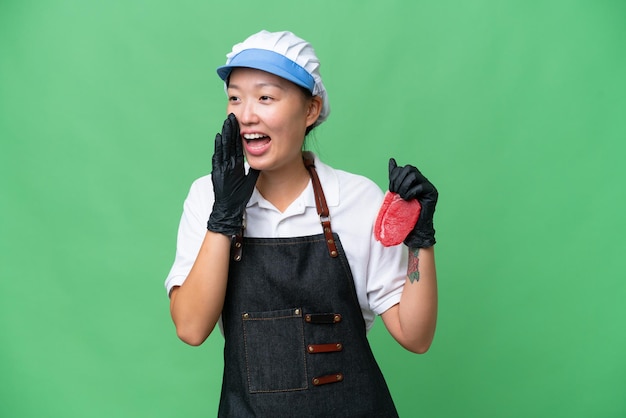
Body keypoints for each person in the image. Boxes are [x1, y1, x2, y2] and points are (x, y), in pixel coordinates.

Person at [165, 30, 439, 417]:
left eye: (265, 97)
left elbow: (416, 336)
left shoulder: (356, 198)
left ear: (311, 109)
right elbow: (190, 329)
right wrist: (223, 218)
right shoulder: (209, 197)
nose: (246, 114)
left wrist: (420, 241)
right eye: (235, 97)